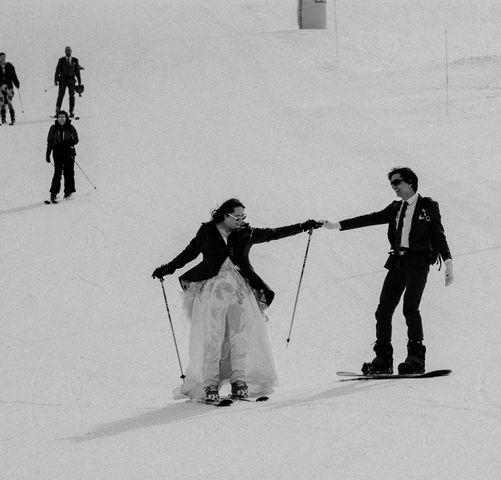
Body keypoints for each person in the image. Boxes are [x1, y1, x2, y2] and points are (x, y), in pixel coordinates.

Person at [152, 199, 322, 404]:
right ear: (224, 215)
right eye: (237, 217)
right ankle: (210, 384)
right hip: (213, 290)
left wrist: (303, 227)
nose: (241, 220)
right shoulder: (206, 231)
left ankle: (239, 380)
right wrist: (167, 268)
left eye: (243, 217)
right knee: (213, 337)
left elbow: (274, 233)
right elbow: (189, 253)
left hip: (240, 290)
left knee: (239, 335)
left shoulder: (246, 233)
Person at [323, 167, 454, 375]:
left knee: (410, 308)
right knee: (383, 311)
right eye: (392, 184)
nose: (394, 187)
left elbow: (438, 235)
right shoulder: (395, 207)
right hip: (398, 262)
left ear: (410, 182)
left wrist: (448, 262)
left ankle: (416, 359)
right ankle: (383, 360)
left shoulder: (427, 206)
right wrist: (337, 225)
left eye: (397, 182)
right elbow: (370, 218)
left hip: (418, 263)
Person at [46, 111, 78, 203]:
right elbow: (50, 142)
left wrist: (67, 143)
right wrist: (47, 154)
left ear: (66, 118)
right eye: (59, 117)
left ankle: (68, 192)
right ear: (57, 118)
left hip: (69, 152)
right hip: (57, 152)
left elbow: (76, 140)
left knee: (69, 172)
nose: (61, 119)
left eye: (63, 117)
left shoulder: (70, 127)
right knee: (57, 173)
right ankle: (54, 193)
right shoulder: (53, 128)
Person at [54, 46, 82, 118]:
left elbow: (78, 72)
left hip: (71, 80)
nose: (68, 52)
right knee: (60, 95)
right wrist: (55, 80)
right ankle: (57, 111)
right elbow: (57, 70)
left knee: (72, 96)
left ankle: (71, 111)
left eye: (69, 51)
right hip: (63, 80)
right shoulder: (61, 60)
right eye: (67, 51)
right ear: (65, 52)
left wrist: (79, 82)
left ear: (71, 52)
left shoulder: (75, 60)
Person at [0, 52, 20, 125]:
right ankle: (3, 119)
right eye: (1, 57)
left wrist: (17, 83)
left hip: (9, 87)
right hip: (1, 87)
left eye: (4, 57)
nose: (3, 58)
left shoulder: (10, 66)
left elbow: (14, 76)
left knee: (9, 101)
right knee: (2, 102)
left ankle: (13, 118)